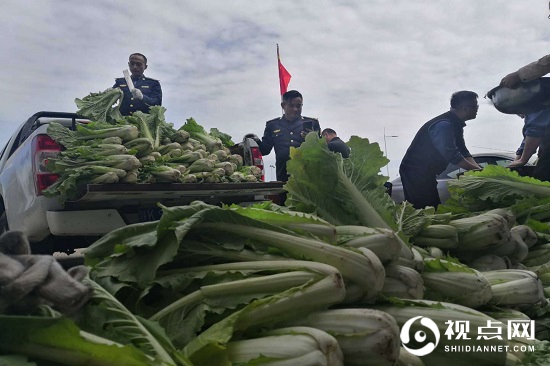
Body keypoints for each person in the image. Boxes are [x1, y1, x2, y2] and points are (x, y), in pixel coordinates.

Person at [399, 91, 481, 209]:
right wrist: (475, 170)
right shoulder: (444, 125)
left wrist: (478, 169)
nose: (477, 109)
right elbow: (452, 155)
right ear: (463, 108)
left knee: (431, 207)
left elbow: (463, 151)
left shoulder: (456, 125)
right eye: (475, 106)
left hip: (426, 172)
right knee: (425, 208)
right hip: (415, 172)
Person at [246, 90, 321, 182]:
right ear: (283, 106)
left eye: (298, 106)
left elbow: (321, 151)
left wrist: (312, 140)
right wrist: (256, 140)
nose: (295, 109)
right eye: (291, 105)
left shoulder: (312, 124)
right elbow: (265, 150)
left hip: (308, 176)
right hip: (284, 176)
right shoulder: (273, 125)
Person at [500, 55, 550, 181]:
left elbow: (536, 130)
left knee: (542, 178)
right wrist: (517, 160)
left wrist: (523, 160)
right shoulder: (531, 114)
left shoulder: (540, 98)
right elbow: (527, 139)